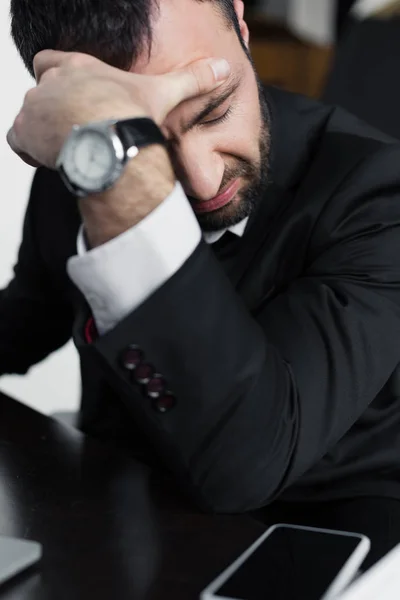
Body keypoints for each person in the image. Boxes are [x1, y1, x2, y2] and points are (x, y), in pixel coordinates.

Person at [5, 0, 400, 568]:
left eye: (213, 112)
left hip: (322, 530)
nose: (202, 178)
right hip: (119, 509)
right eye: (152, 143)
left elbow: (250, 462)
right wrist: (101, 146)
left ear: (240, 24)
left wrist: (120, 167)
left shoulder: (378, 190)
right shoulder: (86, 155)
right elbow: (30, 315)